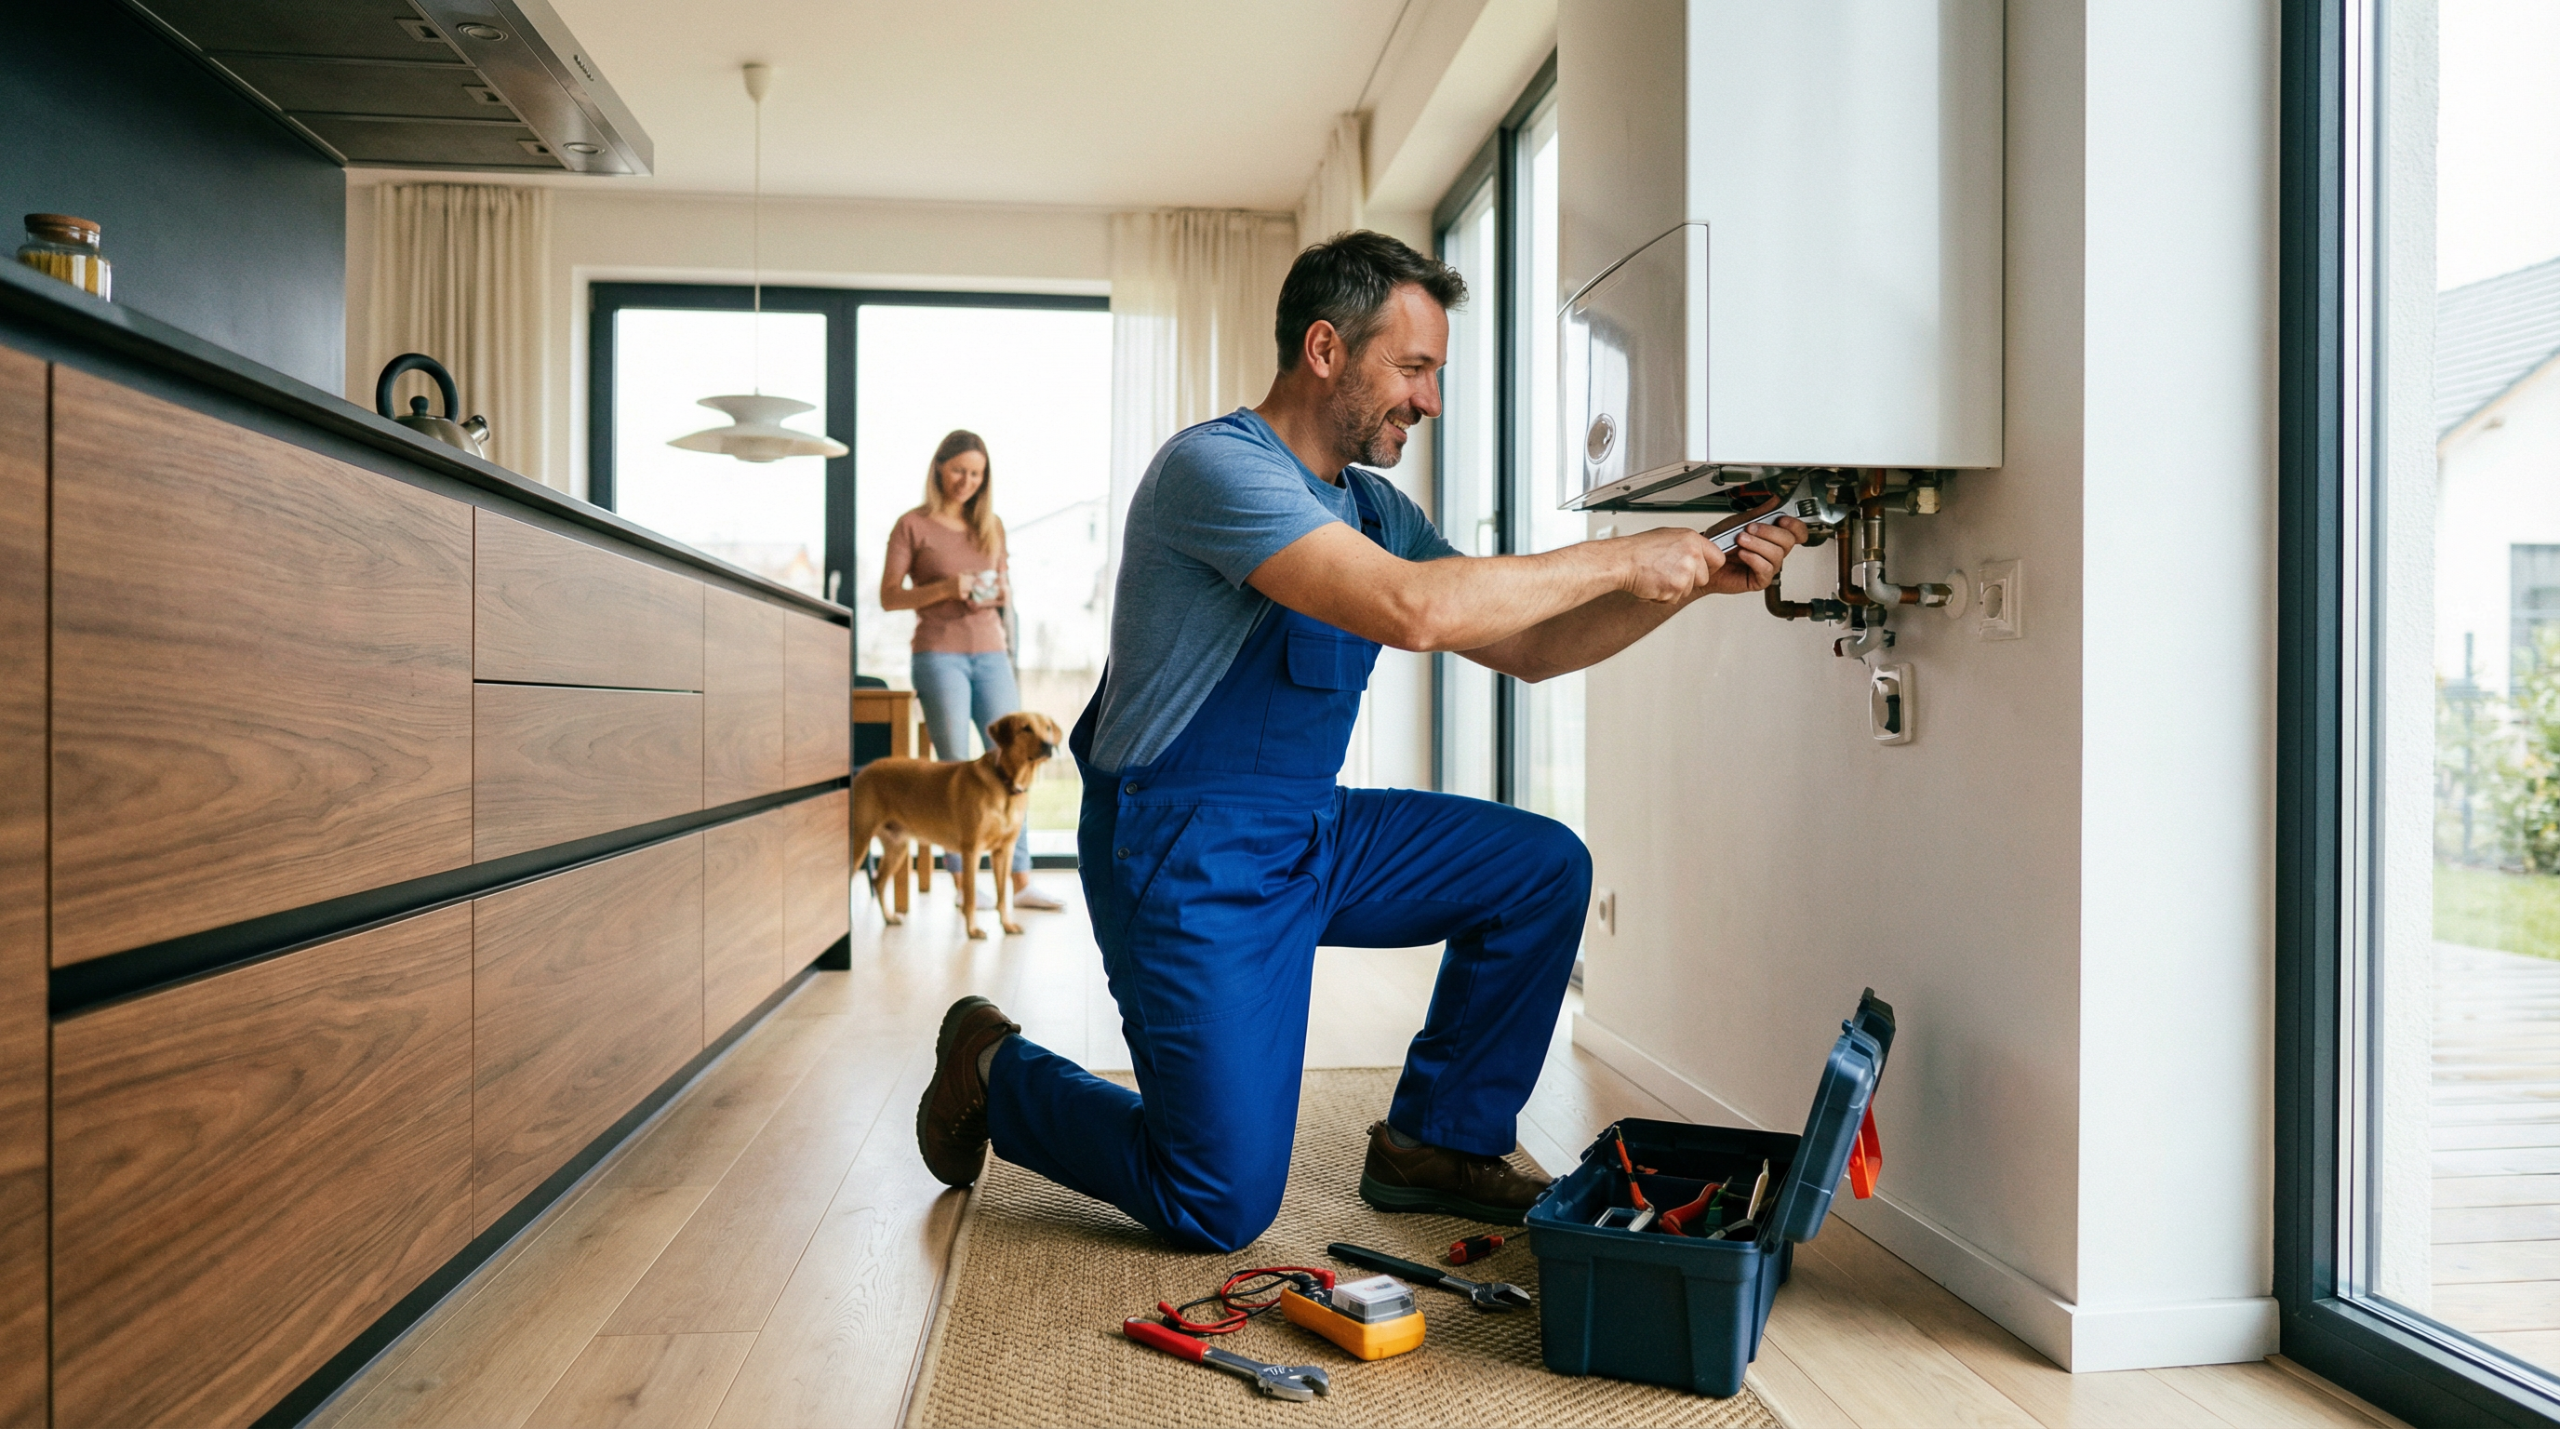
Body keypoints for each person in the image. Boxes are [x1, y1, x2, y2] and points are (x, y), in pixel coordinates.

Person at [914, 231, 1803, 1250]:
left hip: (1308, 830)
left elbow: (1536, 647)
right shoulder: (1212, 469)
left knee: (1539, 869)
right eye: (1414, 368)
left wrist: (1695, 583)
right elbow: (1412, 608)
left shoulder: (1374, 507)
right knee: (1216, 1203)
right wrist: (1621, 555)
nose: (1429, 401)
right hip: (1181, 852)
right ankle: (992, 1064)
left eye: (1435, 374)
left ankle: (1434, 1143)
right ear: (1326, 349)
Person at [878, 429, 1063, 912]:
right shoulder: (911, 526)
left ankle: (1020, 881)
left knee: (1015, 765)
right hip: (939, 654)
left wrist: (996, 593)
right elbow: (889, 596)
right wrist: (945, 589)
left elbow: (1003, 588)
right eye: (959, 469)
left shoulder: (991, 525)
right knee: (955, 766)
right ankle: (965, 886)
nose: (967, 481)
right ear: (939, 467)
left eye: (977, 473)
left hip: (991, 652)